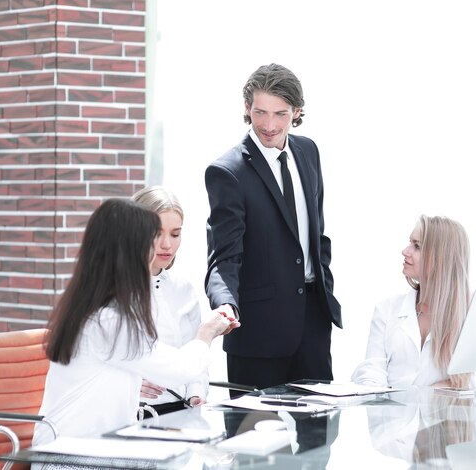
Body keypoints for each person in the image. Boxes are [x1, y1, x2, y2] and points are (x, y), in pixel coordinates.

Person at [32, 198, 239, 448]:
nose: (160, 249)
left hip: (91, 447)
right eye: (150, 241)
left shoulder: (91, 307)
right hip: (78, 457)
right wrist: (207, 332)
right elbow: (178, 368)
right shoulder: (110, 322)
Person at [204, 63, 342, 393]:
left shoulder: (308, 151)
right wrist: (225, 304)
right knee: (255, 442)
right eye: (260, 112)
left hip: (312, 325)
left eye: (280, 114)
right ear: (247, 109)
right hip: (257, 333)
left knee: (318, 438)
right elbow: (224, 256)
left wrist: (324, 289)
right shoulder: (227, 172)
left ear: (297, 111)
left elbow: (316, 231)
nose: (268, 125)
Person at [352, 215, 476, 389]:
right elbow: (373, 371)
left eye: (417, 246)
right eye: (410, 243)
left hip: (448, 415)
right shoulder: (386, 309)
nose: (405, 251)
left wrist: (439, 390)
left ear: (441, 257)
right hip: (393, 413)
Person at [132, 186, 209, 413]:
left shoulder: (183, 290)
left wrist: (197, 393)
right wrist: (128, 384)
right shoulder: (113, 291)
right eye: (157, 233)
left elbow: (196, 356)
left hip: (181, 412)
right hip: (131, 415)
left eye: (175, 234)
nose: (168, 244)